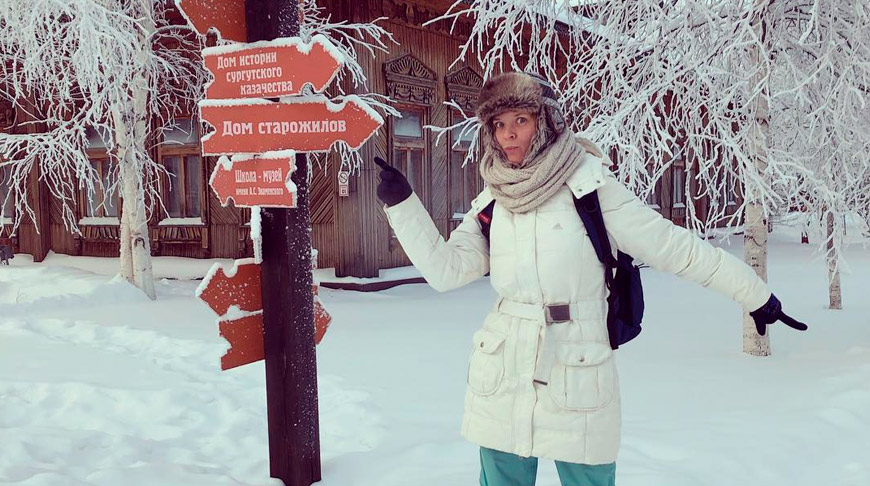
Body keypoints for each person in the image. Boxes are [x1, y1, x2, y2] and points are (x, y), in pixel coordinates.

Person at [374, 71, 807, 486]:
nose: (508, 134)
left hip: (577, 370)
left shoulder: (591, 189)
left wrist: (754, 294)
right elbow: (446, 271)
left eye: (520, 120)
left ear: (546, 121)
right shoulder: (495, 200)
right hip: (503, 374)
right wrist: (403, 205)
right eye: (499, 124)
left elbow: (677, 248)